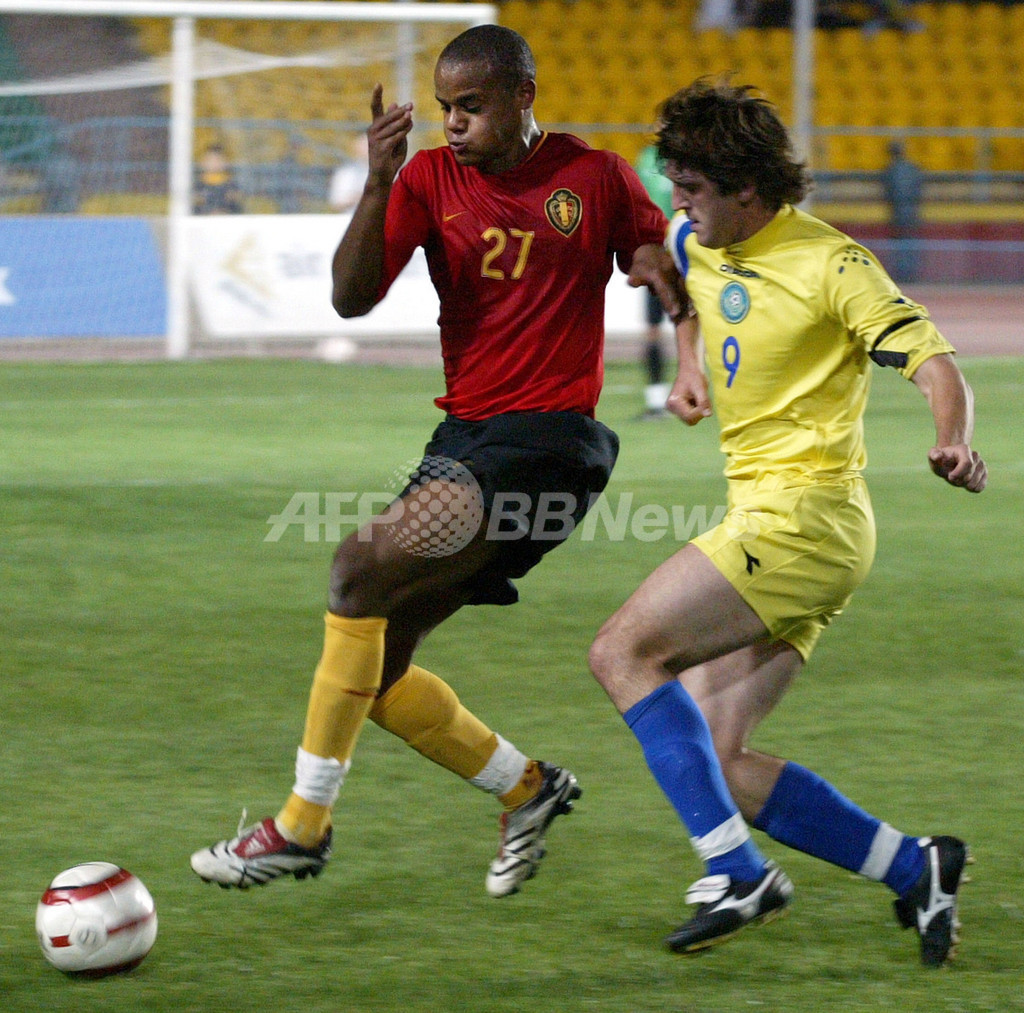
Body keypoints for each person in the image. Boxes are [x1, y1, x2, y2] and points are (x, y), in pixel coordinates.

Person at [191, 26, 680, 899]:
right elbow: (350, 297)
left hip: (548, 441)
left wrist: (651, 267)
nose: (453, 123)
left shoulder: (592, 175)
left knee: (354, 569)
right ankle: (530, 788)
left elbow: (645, 245)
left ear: (524, 95)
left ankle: (301, 826)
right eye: (445, 107)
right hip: (466, 441)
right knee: (374, 671)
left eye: (472, 106)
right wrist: (379, 182)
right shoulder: (425, 179)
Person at [587, 79, 986, 966]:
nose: (677, 204)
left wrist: (951, 441)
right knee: (719, 758)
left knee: (621, 652)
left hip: (803, 518)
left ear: (745, 187)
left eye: (691, 188)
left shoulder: (832, 264)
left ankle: (737, 874)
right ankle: (916, 866)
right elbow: (680, 274)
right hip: (781, 522)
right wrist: (688, 364)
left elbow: (935, 360)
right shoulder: (701, 236)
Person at [634, 143, 676, 418]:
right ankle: (656, 400)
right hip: (658, 254)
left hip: (688, 250)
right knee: (653, 328)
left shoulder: (689, 156)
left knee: (697, 326)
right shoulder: (647, 156)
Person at [881, 140, 924, 283]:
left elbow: (888, 192)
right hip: (911, 211)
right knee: (909, 241)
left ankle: (903, 273)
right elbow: (919, 189)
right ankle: (909, 272)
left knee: (900, 242)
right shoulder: (913, 168)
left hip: (898, 211)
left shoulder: (890, 170)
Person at [193, 144, 243, 214]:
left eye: (218, 160)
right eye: (210, 160)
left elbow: (237, 208)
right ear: (202, 162)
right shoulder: (197, 186)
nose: (214, 163)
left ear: (226, 162)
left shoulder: (231, 185)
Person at [329, 134, 369, 213]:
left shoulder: (389, 171)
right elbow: (337, 203)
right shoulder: (346, 173)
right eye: (365, 146)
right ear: (356, 148)